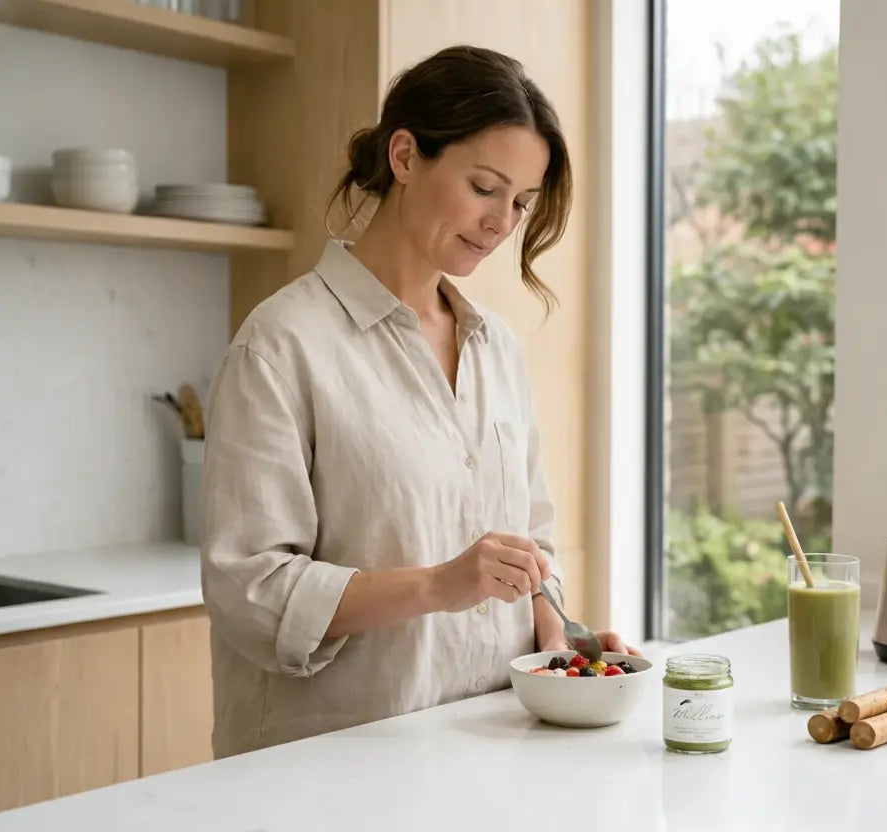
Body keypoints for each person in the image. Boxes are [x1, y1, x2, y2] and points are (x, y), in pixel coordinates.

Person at [199, 44, 636, 759]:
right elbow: (251, 589)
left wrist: (561, 642)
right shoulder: (282, 345)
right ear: (404, 155)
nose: (502, 222)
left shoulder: (495, 347)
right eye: (485, 187)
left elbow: (531, 545)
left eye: (521, 203)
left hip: (487, 750)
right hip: (331, 769)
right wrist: (440, 583)